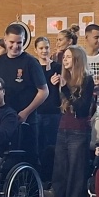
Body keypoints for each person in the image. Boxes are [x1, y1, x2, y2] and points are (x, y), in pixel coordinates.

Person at [0, 23, 48, 164]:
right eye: (12, 42)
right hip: (4, 118)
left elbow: (44, 91)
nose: (15, 46)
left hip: (26, 119)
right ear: (5, 40)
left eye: (19, 43)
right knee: (5, 158)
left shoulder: (31, 62)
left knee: (28, 158)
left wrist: (26, 112)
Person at [51, 46, 94, 197]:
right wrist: (55, 88)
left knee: (76, 173)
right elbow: (55, 105)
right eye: (64, 57)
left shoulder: (87, 80)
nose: (65, 60)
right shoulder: (64, 79)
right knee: (60, 172)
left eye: (68, 57)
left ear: (77, 59)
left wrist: (65, 89)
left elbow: (82, 109)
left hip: (79, 130)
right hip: (63, 129)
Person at [33, 36, 61, 186]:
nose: (44, 51)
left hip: (53, 111)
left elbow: (60, 90)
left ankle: (50, 178)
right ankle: (38, 177)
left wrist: (58, 82)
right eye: (41, 48)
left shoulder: (57, 67)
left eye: (46, 47)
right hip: (38, 110)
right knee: (38, 145)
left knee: (51, 146)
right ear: (35, 50)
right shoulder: (34, 67)